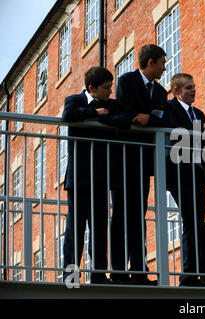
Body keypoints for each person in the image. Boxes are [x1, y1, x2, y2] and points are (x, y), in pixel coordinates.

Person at [62, 66, 131, 284]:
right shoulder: (75, 100)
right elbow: (68, 115)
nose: (110, 92)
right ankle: (70, 276)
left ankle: (98, 275)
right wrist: (95, 113)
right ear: (91, 88)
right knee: (75, 230)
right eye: (105, 88)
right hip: (80, 178)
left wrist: (101, 118)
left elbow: (124, 121)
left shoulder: (111, 105)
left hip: (102, 178)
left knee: (100, 229)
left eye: (110, 87)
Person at [111, 44, 168, 285]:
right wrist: (146, 117)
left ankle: (139, 269)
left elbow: (162, 116)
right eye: (162, 62)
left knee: (138, 215)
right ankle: (119, 270)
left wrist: (148, 118)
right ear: (151, 62)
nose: (165, 67)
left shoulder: (161, 92)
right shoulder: (126, 81)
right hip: (124, 159)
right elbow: (127, 111)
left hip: (144, 162)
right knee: (121, 215)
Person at [165, 73, 205, 287]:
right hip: (180, 173)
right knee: (192, 223)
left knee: (199, 225)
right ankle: (190, 275)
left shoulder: (198, 113)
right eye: (188, 88)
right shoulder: (170, 109)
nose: (193, 90)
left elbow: (204, 145)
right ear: (177, 91)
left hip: (198, 173)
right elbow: (177, 136)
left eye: (194, 86)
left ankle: (203, 274)